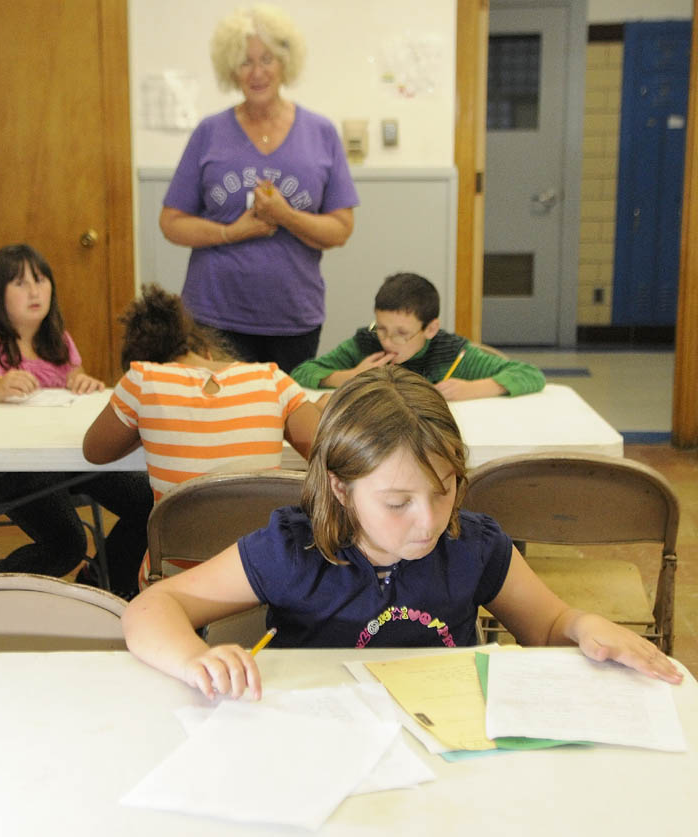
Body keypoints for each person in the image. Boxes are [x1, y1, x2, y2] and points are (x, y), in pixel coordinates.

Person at [121, 366, 682, 700]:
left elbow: (550, 623)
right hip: (321, 747)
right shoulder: (296, 549)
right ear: (341, 489)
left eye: (444, 489)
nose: (430, 519)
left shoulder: (473, 544)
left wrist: (584, 626)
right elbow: (151, 608)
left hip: (447, 748)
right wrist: (194, 658)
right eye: (397, 502)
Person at [0, 243, 152, 598]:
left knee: (150, 505)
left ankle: (96, 591)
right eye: (20, 283)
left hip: (65, 459)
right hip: (6, 466)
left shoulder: (57, 339)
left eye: (40, 280)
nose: (35, 291)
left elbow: (73, 382)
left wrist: (82, 382)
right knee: (66, 542)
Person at [159, 4, 359, 373]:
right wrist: (230, 232)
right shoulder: (209, 132)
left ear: (285, 63)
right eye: (244, 62)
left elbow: (341, 228)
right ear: (230, 70)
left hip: (293, 317)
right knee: (220, 424)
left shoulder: (321, 133)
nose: (257, 72)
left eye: (267, 59)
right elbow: (171, 222)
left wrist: (286, 216)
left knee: (285, 421)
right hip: (214, 316)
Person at [82, 285, 321, 587]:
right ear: (202, 348)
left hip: (176, 582)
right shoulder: (272, 380)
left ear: (142, 359)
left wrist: (145, 425)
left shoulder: (142, 380)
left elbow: (94, 451)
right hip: (259, 574)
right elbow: (331, 452)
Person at [291, 272, 546, 400]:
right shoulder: (366, 344)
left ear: (430, 329)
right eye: (381, 328)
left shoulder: (451, 354)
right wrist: (348, 376)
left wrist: (474, 388)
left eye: (402, 334)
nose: (388, 341)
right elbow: (302, 373)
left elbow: (530, 375)